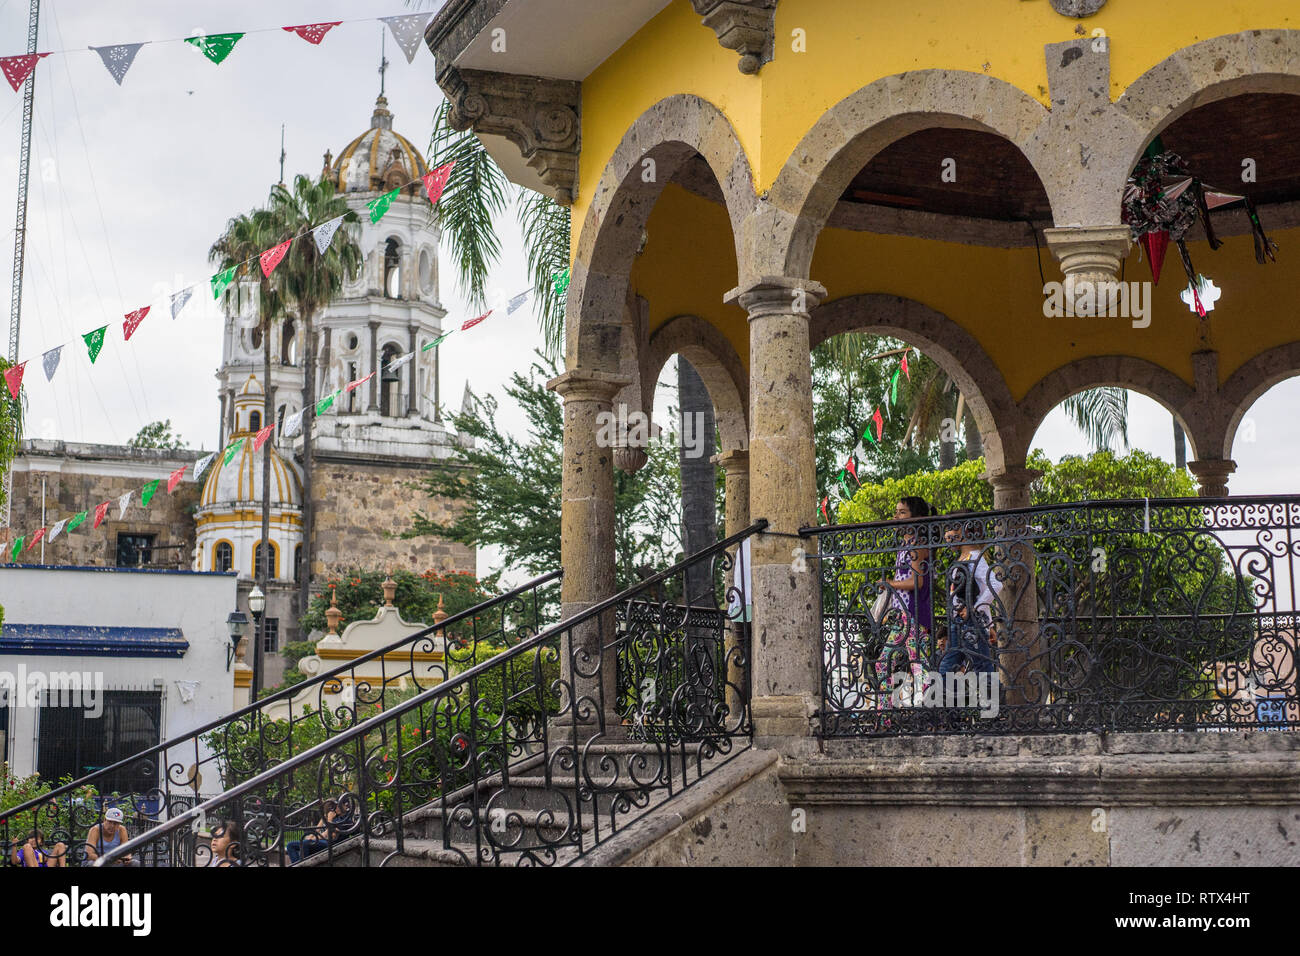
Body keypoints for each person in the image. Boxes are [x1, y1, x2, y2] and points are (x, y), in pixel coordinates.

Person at [876, 496, 936, 707]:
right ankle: (887, 714)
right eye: (897, 512)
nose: (897, 516)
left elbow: (917, 582)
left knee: (902, 665)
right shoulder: (907, 544)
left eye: (903, 512)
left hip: (913, 614)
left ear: (916, 518)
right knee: (912, 666)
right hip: (905, 615)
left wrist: (889, 583)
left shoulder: (917, 546)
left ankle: (886, 715)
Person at [939, 511, 1003, 687]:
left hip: (969, 623)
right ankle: (951, 712)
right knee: (948, 668)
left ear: (963, 531)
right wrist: (988, 624)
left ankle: (996, 710)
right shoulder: (965, 557)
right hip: (958, 622)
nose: (946, 535)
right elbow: (980, 591)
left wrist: (974, 610)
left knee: (981, 668)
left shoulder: (975, 557)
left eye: (950, 530)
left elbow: (995, 585)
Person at [286, 799, 339, 864]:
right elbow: (317, 829)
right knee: (290, 845)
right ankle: (298, 864)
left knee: (305, 843)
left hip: (327, 842)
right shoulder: (325, 816)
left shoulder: (336, 819)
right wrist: (310, 836)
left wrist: (314, 838)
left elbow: (331, 835)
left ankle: (302, 864)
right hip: (319, 840)